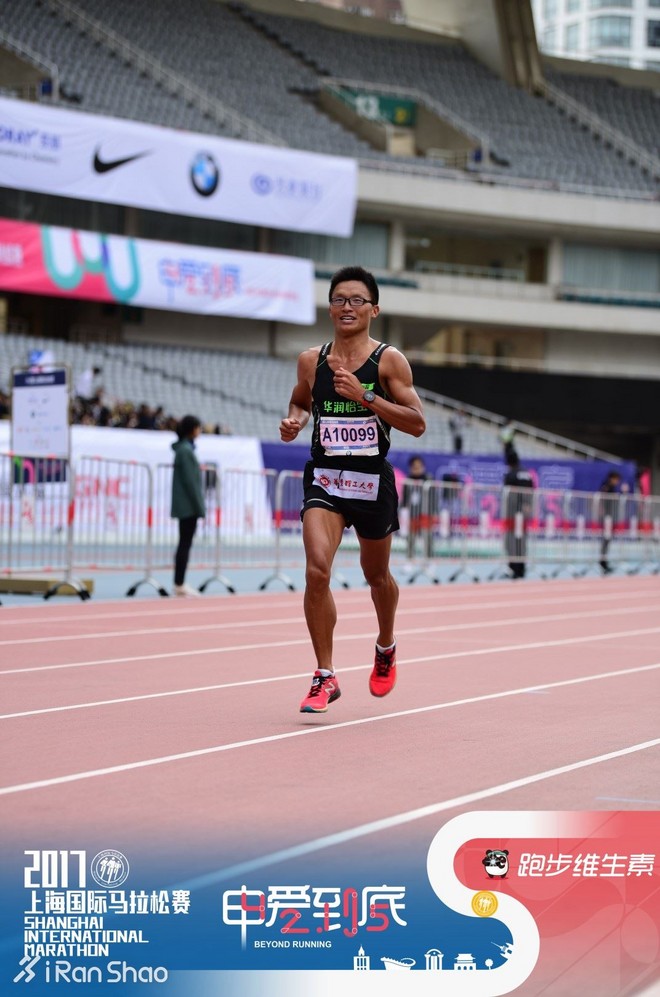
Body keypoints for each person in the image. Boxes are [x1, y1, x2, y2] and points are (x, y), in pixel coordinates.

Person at [279, 265, 426, 713]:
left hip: (371, 480)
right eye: (339, 299)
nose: (347, 306)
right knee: (316, 571)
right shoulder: (311, 360)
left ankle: (385, 645)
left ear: (373, 310)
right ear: (329, 308)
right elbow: (300, 400)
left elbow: (417, 423)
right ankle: (324, 675)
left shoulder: (389, 361)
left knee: (376, 576)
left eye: (357, 300)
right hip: (326, 477)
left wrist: (366, 397)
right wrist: (295, 421)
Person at [170, 414, 206, 596]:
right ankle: (179, 583)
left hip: (186, 505)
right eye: (198, 427)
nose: (200, 431)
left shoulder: (185, 449)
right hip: (187, 506)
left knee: (184, 543)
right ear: (192, 429)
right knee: (184, 544)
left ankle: (180, 582)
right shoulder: (185, 451)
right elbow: (191, 483)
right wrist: (200, 508)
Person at [503, 450, 534, 579]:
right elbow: (531, 491)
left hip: (513, 513)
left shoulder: (510, 475)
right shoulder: (527, 474)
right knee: (522, 540)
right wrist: (527, 505)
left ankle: (514, 568)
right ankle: (521, 568)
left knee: (511, 540)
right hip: (524, 514)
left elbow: (508, 494)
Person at [401, 454, 433, 559]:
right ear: (411, 468)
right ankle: (409, 559)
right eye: (415, 467)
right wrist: (404, 511)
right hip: (412, 514)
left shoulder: (428, 479)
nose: (417, 469)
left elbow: (433, 497)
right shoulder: (408, 480)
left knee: (427, 536)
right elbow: (405, 498)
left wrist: (433, 511)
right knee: (411, 537)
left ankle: (428, 559)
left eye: (419, 466)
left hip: (426, 513)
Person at [597, 470, 626, 575]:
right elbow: (609, 500)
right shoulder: (607, 487)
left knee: (607, 539)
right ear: (612, 478)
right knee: (606, 538)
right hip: (607, 517)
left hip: (609, 517)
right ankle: (603, 562)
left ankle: (604, 562)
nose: (617, 482)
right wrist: (622, 493)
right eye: (616, 479)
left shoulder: (609, 487)